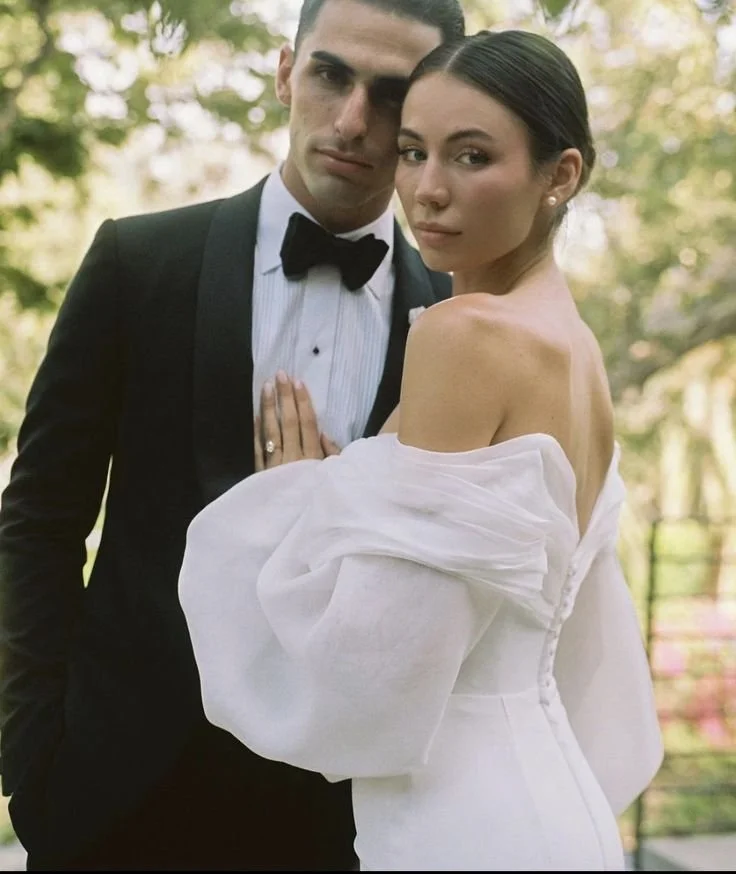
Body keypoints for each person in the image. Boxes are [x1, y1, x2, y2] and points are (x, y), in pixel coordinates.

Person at [178, 29, 664, 871]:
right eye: (413, 152)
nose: (427, 190)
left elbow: (370, 673)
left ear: (562, 175)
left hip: (461, 820)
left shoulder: (462, 335)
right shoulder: (574, 347)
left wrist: (300, 500)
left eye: (472, 157)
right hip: (553, 800)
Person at [0, 0, 467, 869]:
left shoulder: (456, 322)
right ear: (287, 71)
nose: (354, 120)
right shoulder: (136, 263)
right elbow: (39, 518)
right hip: (112, 790)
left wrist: (336, 519)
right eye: (331, 74)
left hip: (338, 819)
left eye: (394, 94)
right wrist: (31, 753)